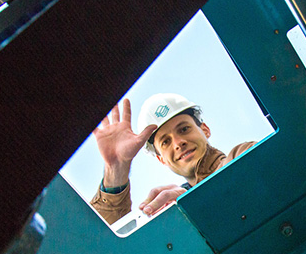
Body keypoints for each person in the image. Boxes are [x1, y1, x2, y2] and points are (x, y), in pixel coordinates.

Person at [90, 93, 255, 225]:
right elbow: (99, 247)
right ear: (161, 160)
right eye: (165, 142)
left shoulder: (243, 153)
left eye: (184, 129)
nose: (178, 143)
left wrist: (195, 204)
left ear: (205, 130)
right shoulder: (167, 207)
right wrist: (116, 169)